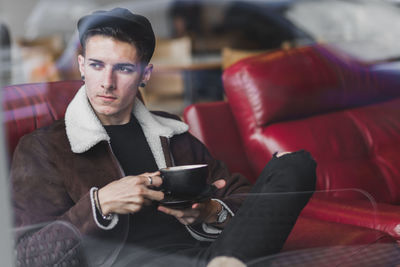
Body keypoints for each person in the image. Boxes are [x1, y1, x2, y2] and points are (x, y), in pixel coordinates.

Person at [10, 8, 316, 267]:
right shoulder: (45, 147)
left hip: (206, 257)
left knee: (296, 165)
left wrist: (210, 211)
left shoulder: (171, 132)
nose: (107, 82)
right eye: (96, 65)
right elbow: (27, 256)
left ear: (145, 75)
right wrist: (100, 203)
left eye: (124, 69)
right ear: (82, 67)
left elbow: (240, 195)